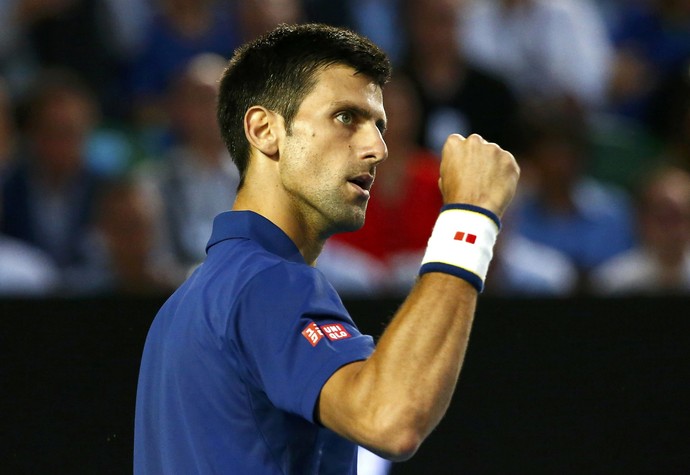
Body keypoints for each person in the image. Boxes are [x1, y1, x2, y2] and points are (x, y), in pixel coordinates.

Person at [134, 23, 520, 474]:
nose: (377, 148)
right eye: (345, 118)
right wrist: (468, 217)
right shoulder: (269, 283)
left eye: (379, 125)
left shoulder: (188, 302)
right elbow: (389, 418)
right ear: (264, 130)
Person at [590, 166, 690, 295]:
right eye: (664, 218)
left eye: (681, 217)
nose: (673, 229)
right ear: (642, 220)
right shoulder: (613, 281)